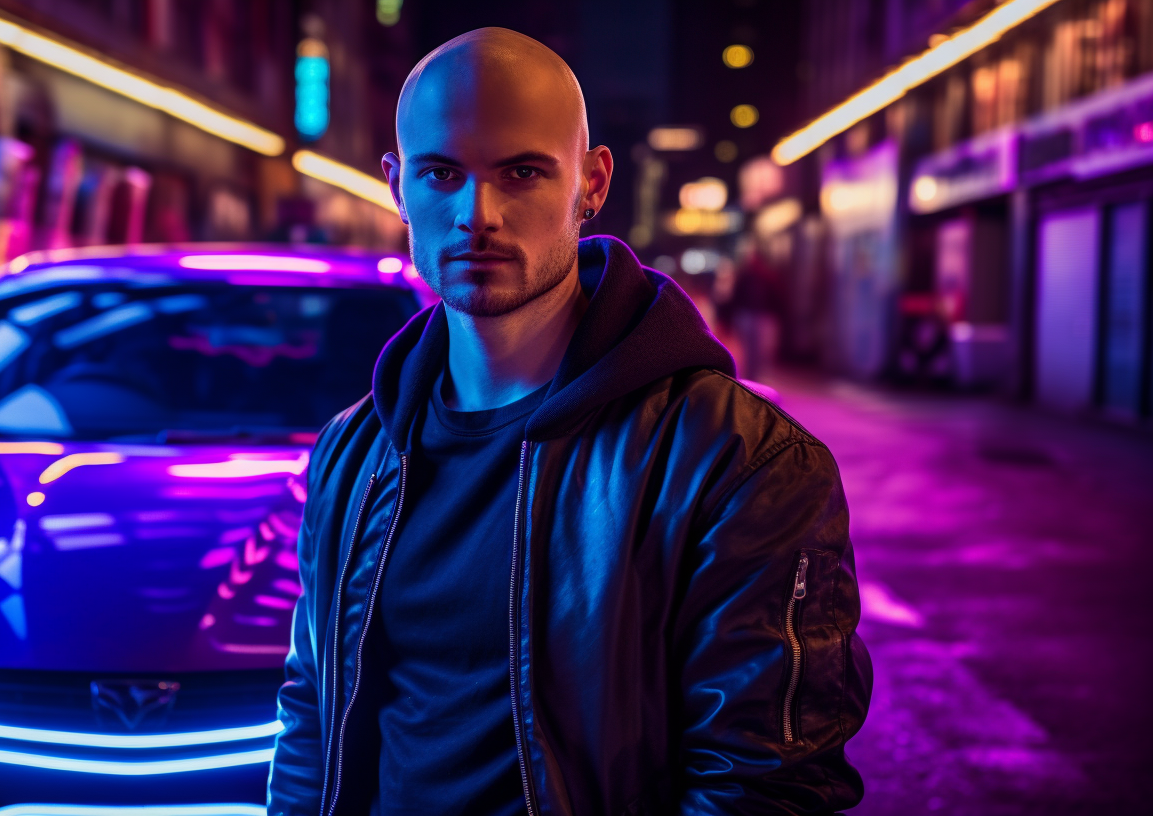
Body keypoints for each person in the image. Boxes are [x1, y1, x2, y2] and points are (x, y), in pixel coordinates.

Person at [268, 28, 870, 816]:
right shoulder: (356, 451)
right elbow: (314, 713)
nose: (475, 215)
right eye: (441, 174)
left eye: (521, 172)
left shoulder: (735, 461)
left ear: (591, 183)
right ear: (397, 186)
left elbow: (764, 785)